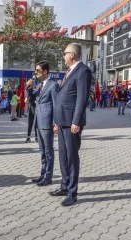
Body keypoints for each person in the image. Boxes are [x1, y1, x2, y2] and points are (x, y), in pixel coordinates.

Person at [51, 43, 92, 207]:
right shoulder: (68, 72)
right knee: (63, 156)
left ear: (73, 55)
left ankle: (72, 193)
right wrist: (57, 121)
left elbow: (82, 98)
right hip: (62, 122)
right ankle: (64, 185)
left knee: (72, 158)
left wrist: (76, 121)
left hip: (72, 123)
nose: (63, 56)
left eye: (65, 53)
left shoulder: (83, 71)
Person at [30, 61, 58, 187]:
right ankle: (42, 173)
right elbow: (30, 98)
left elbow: (56, 105)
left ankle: (48, 176)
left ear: (46, 71)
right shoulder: (39, 85)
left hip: (47, 122)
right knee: (42, 150)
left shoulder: (53, 85)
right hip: (38, 121)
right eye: (36, 71)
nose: (36, 73)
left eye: (38, 70)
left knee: (48, 150)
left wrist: (56, 123)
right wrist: (28, 87)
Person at [25, 79, 38, 143]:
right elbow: (28, 98)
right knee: (31, 123)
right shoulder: (28, 90)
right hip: (31, 107)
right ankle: (29, 137)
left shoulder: (33, 90)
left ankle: (34, 137)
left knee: (34, 123)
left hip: (34, 107)